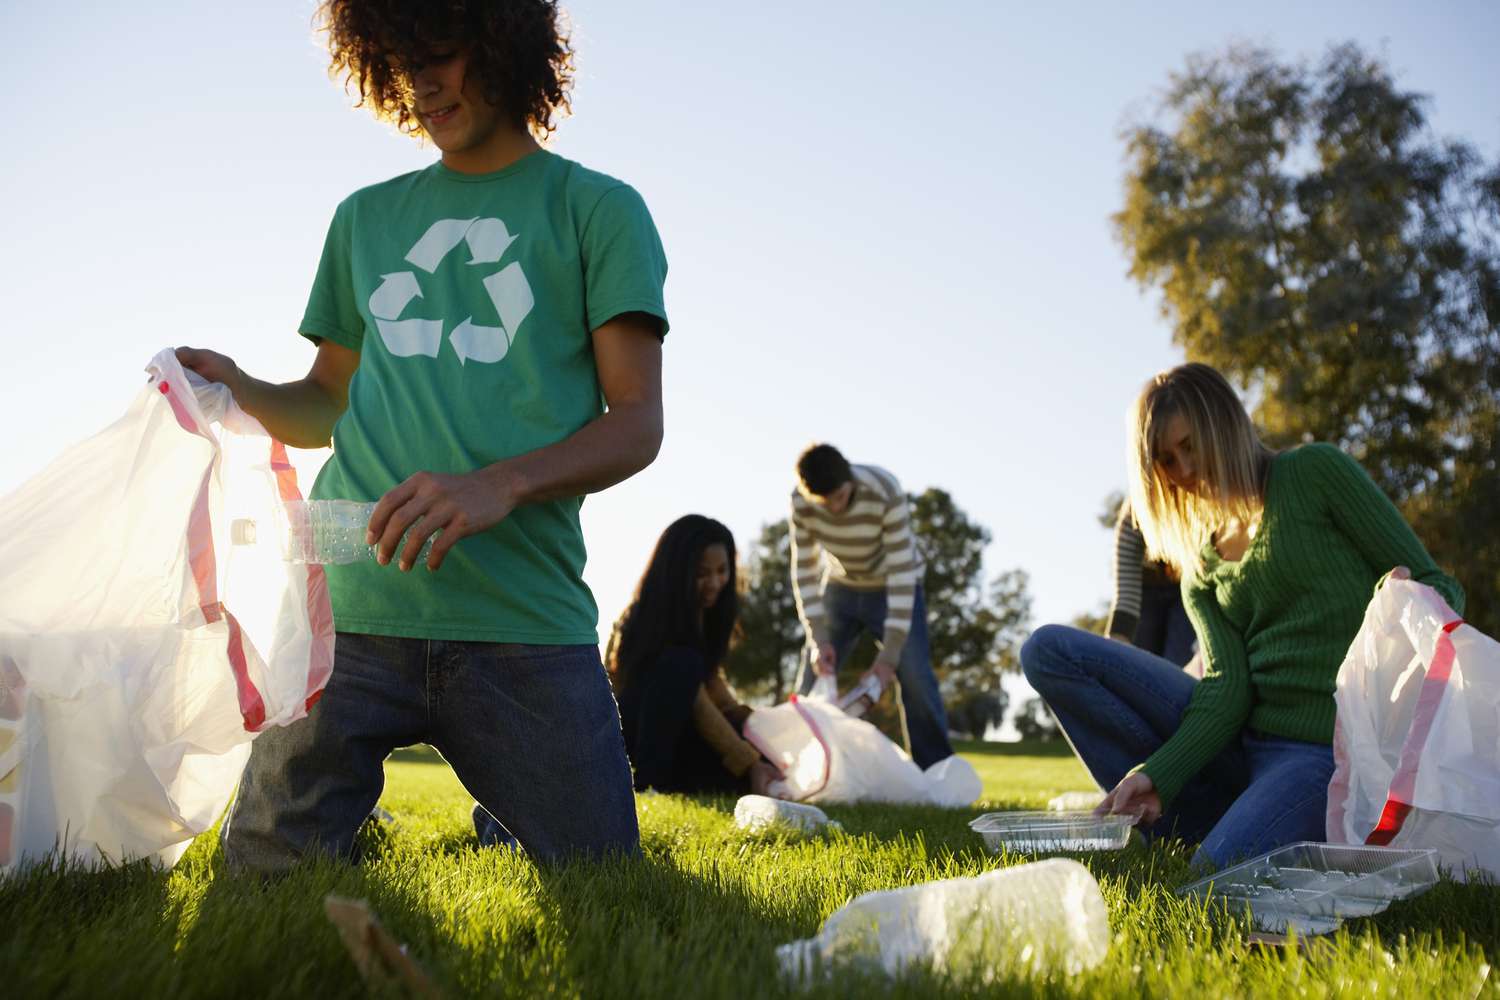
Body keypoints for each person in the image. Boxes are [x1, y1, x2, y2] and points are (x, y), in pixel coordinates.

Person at [177, 0, 669, 870]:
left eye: (444, 54)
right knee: (257, 880)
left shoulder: (599, 209)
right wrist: (244, 389)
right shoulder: (363, 218)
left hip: (521, 618)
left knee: (602, 880)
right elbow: (328, 401)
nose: (424, 84)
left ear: (508, 47)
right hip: (351, 610)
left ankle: (488, 816)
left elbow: (635, 423)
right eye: (404, 64)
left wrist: (499, 484)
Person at [1021, 363, 1463, 869]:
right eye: (1167, 460)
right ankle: (1166, 813)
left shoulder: (1315, 474)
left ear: (1224, 425)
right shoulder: (1201, 567)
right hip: (1241, 747)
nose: (1184, 470)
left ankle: (1225, 831)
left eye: (1190, 446)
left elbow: (1438, 585)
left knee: (1209, 876)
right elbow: (1227, 690)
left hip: (1323, 754)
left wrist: (1402, 608)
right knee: (1049, 651)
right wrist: (1158, 773)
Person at [789, 444, 954, 769]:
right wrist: (818, 639)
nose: (834, 510)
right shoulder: (802, 501)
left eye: (838, 498)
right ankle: (795, 764)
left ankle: (935, 771)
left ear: (849, 478)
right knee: (814, 671)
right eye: (825, 503)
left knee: (916, 674)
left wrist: (889, 655)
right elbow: (804, 571)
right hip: (841, 585)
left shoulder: (883, 490)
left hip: (893, 584)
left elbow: (902, 572)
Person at [608, 516, 784, 795]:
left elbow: (711, 684)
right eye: (702, 573)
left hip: (685, 735)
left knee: (762, 760)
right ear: (677, 573)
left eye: (722, 571)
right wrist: (747, 761)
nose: (714, 582)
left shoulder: (706, 615)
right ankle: (648, 782)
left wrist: (751, 720)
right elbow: (697, 702)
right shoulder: (647, 620)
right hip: (642, 734)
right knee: (683, 664)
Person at [1105, 500, 1196, 668]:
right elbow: (1126, 592)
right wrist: (1117, 640)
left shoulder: (1204, 503)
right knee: (1135, 663)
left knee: (1177, 663)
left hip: (1188, 586)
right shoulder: (1136, 510)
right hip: (1144, 591)